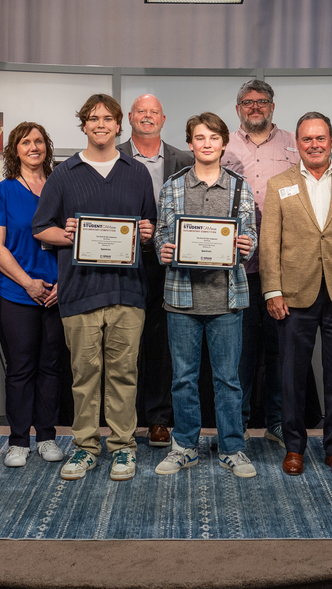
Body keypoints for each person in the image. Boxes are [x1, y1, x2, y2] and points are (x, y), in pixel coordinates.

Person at [32, 94, 156, 482]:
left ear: (120, 125)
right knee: (84, 376)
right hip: (80, 292)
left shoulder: (136, 172)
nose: (100, 124)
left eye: (108, 118)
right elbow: (41, 228)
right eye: (92, 118)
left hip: (128, 292)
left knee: (124, 374)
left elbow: (148, 228)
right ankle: (85, 448)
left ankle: (122, 448)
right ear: (83, 125)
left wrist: (149, 234)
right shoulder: (64, 173)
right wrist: (68, 236)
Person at [261, 112, 332, 477]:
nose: (314, 145)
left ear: (331, 141)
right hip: (294, 295)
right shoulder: (278, 183)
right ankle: (294, 447)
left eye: (321, 138)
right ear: (297, 143)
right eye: (307, 139)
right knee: (292, 375)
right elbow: (269, 244)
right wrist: (273, 291)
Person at [154, 112, 258, 478]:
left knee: (227, 379)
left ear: (224, 143)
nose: (207, 144)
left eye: (214, 137)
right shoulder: (173, 186)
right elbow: (162, 235)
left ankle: (233, 447)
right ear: (191, 143)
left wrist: (247, 245)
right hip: (181, 298)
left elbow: (250, 237)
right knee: (183, 378)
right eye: (200, 138)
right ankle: (184, 445)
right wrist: (163, 249)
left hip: (227, 298)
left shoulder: (240, 187)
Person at [0, 122, 66, 468]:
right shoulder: (2, 191)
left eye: (39, 141)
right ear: (14, 149)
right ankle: (18, 440)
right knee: (21, 367)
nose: (34, 147)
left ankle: (46, 435)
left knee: (51, 366)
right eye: (25, 142)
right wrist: (28, 283)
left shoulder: (62, 187)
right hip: (13, 291)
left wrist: (63, 282)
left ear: (47, 147)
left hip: (57, 292)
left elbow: (79, 238)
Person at [222, 79, 300, 448]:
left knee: (280, 350)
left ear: (272, 106)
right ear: (238, 108)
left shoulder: (293, 143)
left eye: (262, 101)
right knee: (239, 351)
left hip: (283, 266)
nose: (256, 107)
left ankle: (278, 422)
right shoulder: (222, 144)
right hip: (236, 266)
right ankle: (235, 425)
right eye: (248, 102)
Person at [116, 94, 194, 448]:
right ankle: (124, 419)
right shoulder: (112, 155)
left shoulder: (185, 159)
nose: (147, 117)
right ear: (130, 117)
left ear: (163, 118)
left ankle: (160, 419)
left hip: (168, 261)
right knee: (124, 342)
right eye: (141, 112)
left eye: (154, 112)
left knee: (162, 343)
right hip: (121, 261)